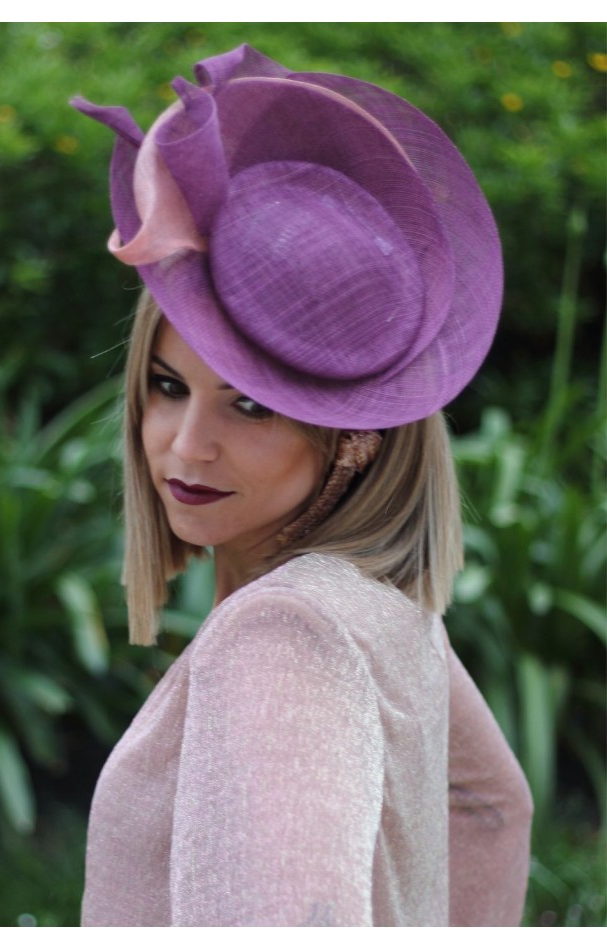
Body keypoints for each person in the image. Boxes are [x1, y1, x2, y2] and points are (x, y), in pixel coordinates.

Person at [72, 43, 533, 927]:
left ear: (354, 438)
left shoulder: (280, 635)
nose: (186, 447)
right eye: (167, 387)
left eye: (249, 406)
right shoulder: (375, 603)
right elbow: (490, 807)